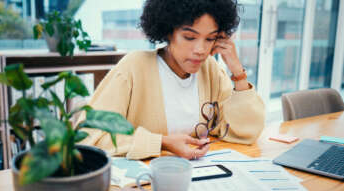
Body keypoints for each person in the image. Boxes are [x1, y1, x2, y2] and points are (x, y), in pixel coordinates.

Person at [80, 0, 265, 160]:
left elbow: (245, 132)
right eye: (189, 37)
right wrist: (162, 143)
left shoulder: (211, 70)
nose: (200, 49)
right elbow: (90, 137)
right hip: (146, 183)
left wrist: (237, 72)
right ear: (168, 31)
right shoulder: (133, 68)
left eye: (210, 39)